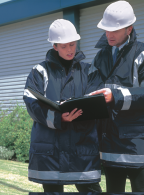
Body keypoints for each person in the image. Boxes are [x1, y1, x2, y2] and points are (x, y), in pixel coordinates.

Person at [87, 1, 144, 192]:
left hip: (136, 144)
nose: (109, 35)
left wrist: (115, 96)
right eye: (106, 29)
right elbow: (92, 90)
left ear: (129, 28)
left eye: (114, 30)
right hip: (110, 142)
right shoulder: (100, 57)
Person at [23, 19, 102, 193]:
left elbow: (96, 101)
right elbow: (32, 103)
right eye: (64, 46)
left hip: (82, 147)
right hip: (50, 148)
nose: (70, 50)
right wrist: (58, 118)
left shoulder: (90, 71)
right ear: (55, 46)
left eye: (72, 44)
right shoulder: (39, 72)